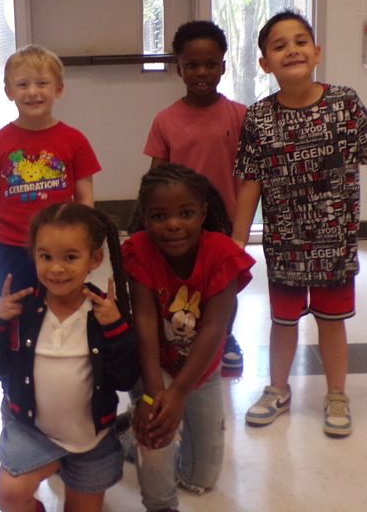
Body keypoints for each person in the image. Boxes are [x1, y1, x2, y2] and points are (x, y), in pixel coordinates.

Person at [232, 10, 367, 437]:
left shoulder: (344, 103)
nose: (291, 50)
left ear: (316, 52)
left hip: (335, 243)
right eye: (279, 46)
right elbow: (250, 182)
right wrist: (235, 244)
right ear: (265, 63)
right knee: (283, 322)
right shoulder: (258, 117)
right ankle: (277, 389)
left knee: (332, 321)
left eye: (300, 41)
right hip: (284, 245)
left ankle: (336, 395)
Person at [0, 203, 138, 512]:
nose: (56, 268)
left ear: (94, 259)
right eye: (45, 256)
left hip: (91, 440)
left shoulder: (103, 313)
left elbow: (125, 377)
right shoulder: (21, 311)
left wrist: (116, 328)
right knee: (8, 494)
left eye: (70, 257)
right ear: (33, 256)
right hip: (33, 432)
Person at [122, 164, 254, 512]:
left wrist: (179, 392)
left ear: (203, 213)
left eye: (186, 213)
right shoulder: (139, 250)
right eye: (159, 216)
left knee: (202, 477)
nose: (173, 224)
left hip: (201, 370)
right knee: (156, 430)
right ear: (145, 217)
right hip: (153, 366)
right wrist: (154, 393)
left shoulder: (223, 254)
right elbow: (144, 321)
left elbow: (214, 328)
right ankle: (159, 502)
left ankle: (129, 434)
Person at [142, 20, 248, 374]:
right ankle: (180, 337)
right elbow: (155, 177)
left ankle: (224, 337)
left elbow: (253, 174)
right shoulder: (165, 120)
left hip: (225, 220)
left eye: (210, 64)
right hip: (181, 221)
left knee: (223, 285)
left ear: (223, 66)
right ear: (179, 69)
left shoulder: (240, 115)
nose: (202, 72)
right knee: (184, 283)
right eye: (192, 65)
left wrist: (243, 224)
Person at [0, 45, 101, 301]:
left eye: (42, 83)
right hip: (9, 250)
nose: (32, 92)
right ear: (9, 91)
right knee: (12, 313)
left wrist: (82, 242)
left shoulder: (75, 141)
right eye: (22, 85)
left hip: (60, 249)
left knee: (60, 309)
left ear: (59, 89)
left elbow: (85, 199)